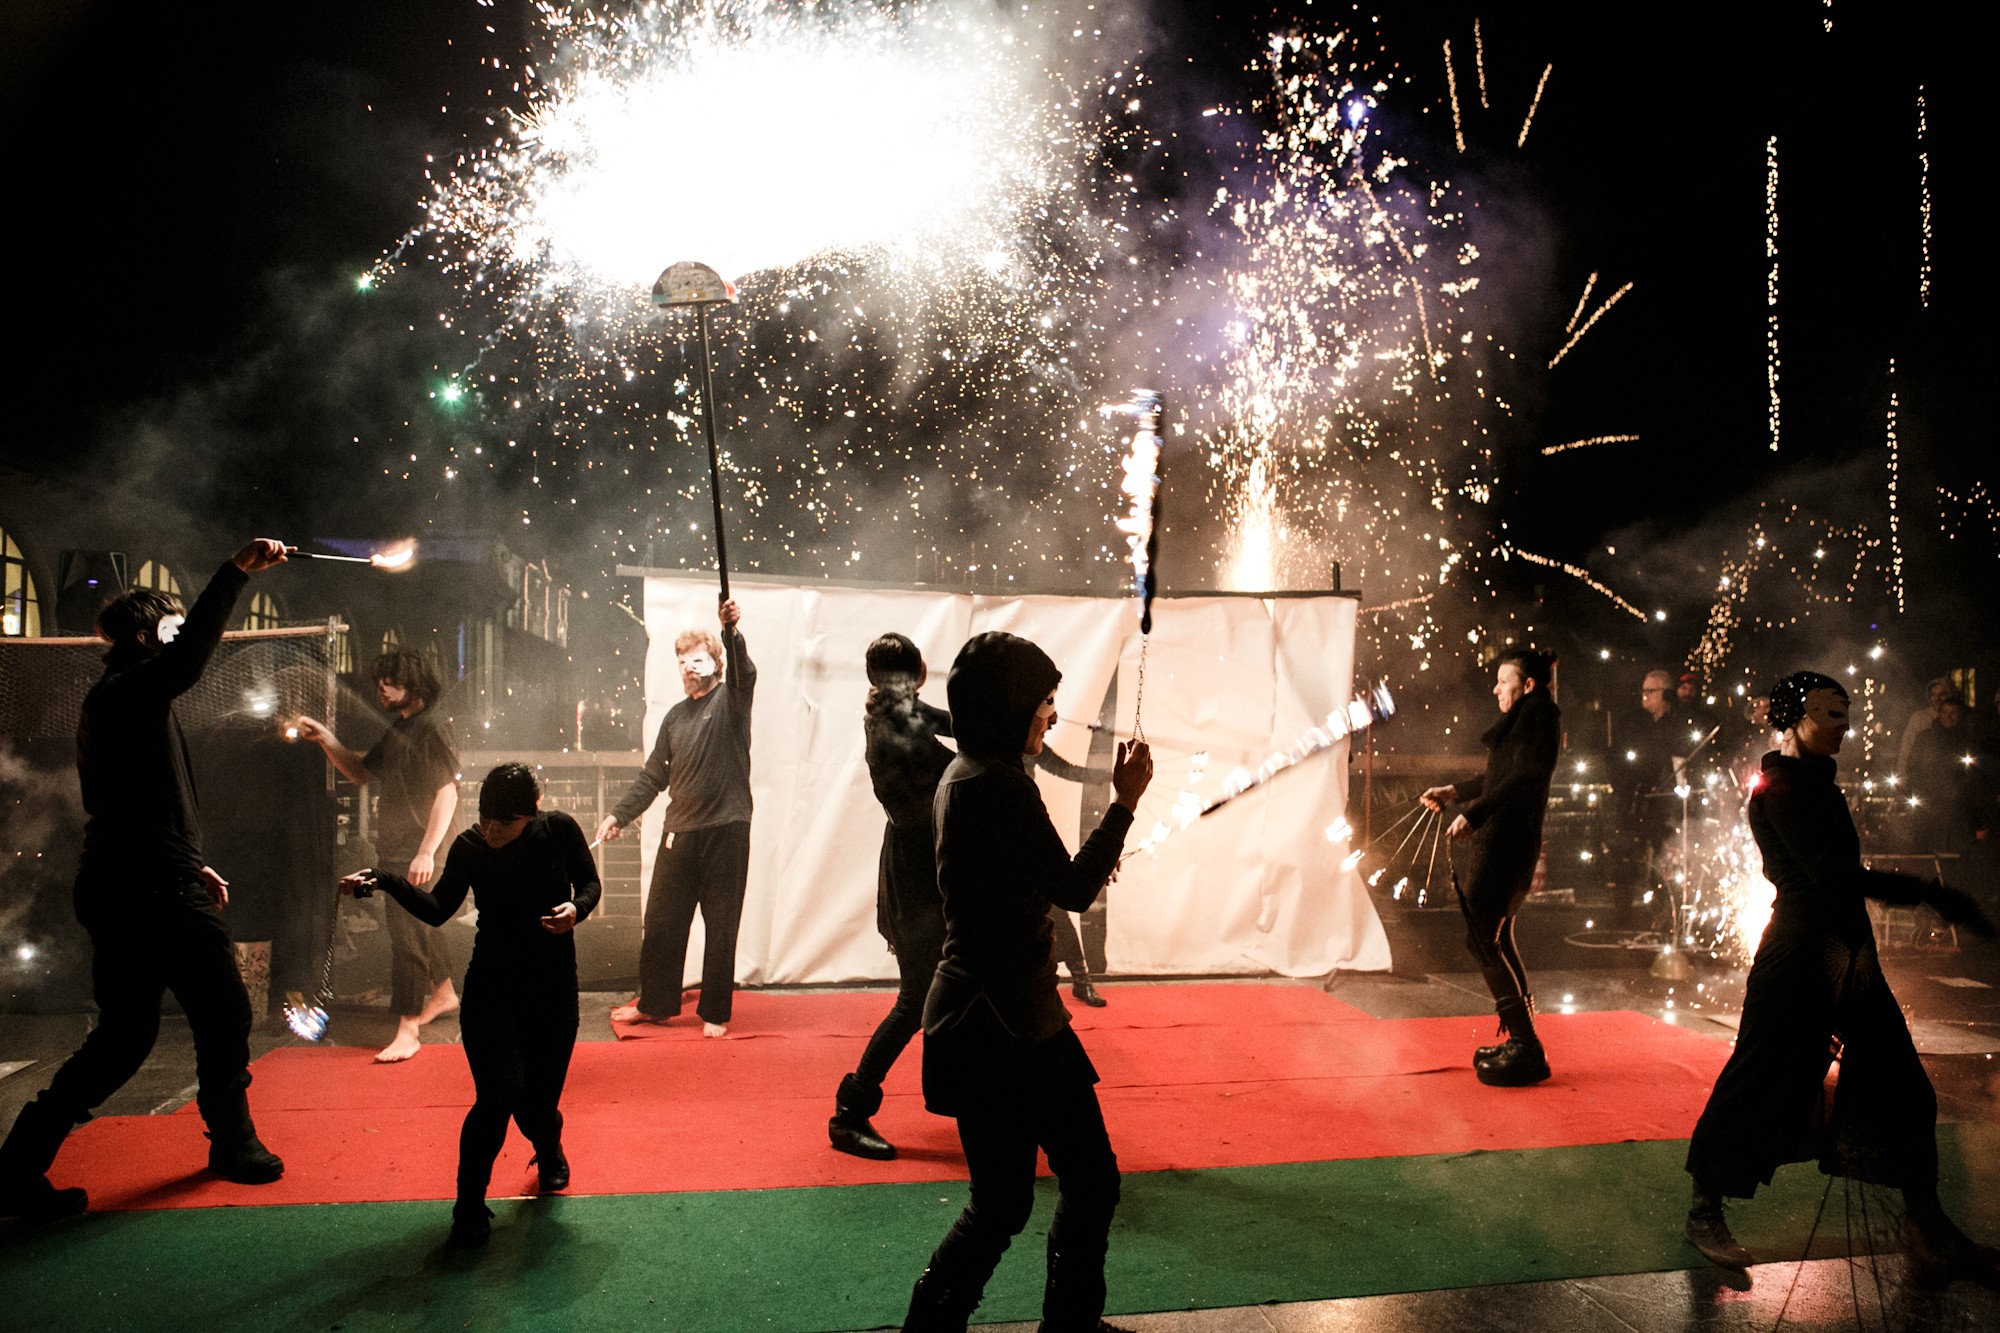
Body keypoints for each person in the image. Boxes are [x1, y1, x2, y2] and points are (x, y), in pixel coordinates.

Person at [0, 540, 290, 1222]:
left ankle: (14, 1168)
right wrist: (233, 572)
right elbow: (189, 660)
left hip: (134, 880)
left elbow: (139, 802)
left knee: (124, 1037)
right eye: (171, 625)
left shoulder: (125, 697)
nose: (181, 634)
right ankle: (233, 1142)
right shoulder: (131, 689)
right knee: (223, 1011)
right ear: (145, 635)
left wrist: (189, 860)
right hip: (149, 890)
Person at [1683, 672, 1999, 1283]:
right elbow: (1831, 875)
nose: (1843, 728)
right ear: (1793, 718)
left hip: (1848, 955)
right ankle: (1704, 1213)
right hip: (1798, 957)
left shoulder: (1817, 785)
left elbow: (1840, 879)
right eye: (1830, 715)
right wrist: (1927, 892)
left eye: (1846, 717)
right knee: (1758, 1078)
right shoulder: (1780, 788)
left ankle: (1926, 1227)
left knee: (1905, 1085)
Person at [901, 631, 1152, 1332]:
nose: (1052, 714)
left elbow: (1037, 877)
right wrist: (1124, 804)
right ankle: (1066, 1327)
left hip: (981, 1017)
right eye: (1043, 703)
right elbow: (1071, 887)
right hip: (1005, 1023)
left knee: (1005, 1200)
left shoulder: (969, 772)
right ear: (1008, 708)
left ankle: (934, 1326)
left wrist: (1087, 857)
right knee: (1085, 1179)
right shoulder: (998, 783)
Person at [342, 763, 600, 1245]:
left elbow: (590, 883)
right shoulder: (470, 846)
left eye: (504, 822)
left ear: (531, 813)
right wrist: (386, 880)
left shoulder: (559, 830)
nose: (492, 829)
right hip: (491, 987)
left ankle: (548, 1148)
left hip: (551, 989)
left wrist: (577, 909)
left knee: (536, 1107)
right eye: (485, 818)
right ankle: (468, 1205)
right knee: (499, 1093)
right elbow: (438, 909)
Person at [597, 598, 755, 1037]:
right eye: (682, 662)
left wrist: (731, 632)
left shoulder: (732, 700)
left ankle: (715, 1012)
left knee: (721, 925)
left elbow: (744, 672)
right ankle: (655, 1004)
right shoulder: (674, 718)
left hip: (726, 828)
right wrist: (619, 815)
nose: (688, 668)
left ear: (716, 663)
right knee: (662, 922)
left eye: (696, 660)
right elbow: (653, 777)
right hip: (680, 832)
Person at [296, 650, 461, 1062]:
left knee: (407, 935)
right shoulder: (400, 728)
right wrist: (326, 739)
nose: (381, 690)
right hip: (402, 848)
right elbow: (359, 772)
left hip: (418, 850)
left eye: (390, 682)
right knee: (420, 926)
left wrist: (426, 851)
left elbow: (447, 793)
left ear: (414, 683)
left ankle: (408, 1029)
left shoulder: (432, 727)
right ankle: (443, 993)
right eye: (379, 683)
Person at [829, 633, 954, 1161]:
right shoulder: (896, 724)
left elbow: (961, 729)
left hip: (921, 870)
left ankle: (974, 1099)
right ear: (918, 672)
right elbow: (956, 758)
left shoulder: (898, 715)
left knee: (940, 993)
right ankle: (848, 1114)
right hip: (919, 877)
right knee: (916, 999)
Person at [1421, 648, 1562, 1087]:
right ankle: (1525, 1040)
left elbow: (1523, 778)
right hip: (1508, 839)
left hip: (1507, 841)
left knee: (1482, 938)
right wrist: (1455, 792)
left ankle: (1526, 1045)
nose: (1496, 689)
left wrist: (1475, 814)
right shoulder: (1531, 715)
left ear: (1529, 685)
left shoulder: (1537, 713)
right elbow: (1501, 776)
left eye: (1504, 681)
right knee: (1497, 936)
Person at [1027, 745, 1115, 1007]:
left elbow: (1064, 769)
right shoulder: (991, 750)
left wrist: (1106, 776)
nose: (1051, 724)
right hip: (1006, 841)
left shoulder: (1029, 742)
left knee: (1057, 910)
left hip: (1029, 833)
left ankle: (1081, 980)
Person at [1895, 677, 1956, 776]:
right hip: (1924, 776)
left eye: (1942, 695)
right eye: (1933, 695)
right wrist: (1902, 776)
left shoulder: (1957, 718)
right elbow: (1906, 750)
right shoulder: (1919, 718)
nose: (1937, 699)